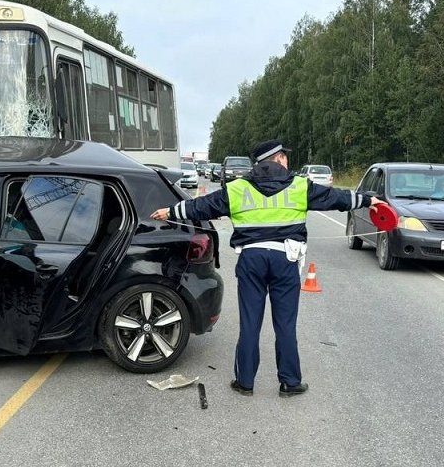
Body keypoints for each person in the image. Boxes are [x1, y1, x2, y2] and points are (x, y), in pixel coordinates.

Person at [150, 140, 381, 398]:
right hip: (285, 261)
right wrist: (367, 200)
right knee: (285, 324)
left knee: (250, 323)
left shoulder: (238, 188)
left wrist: (170, 210)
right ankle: (290, 383)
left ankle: (245, 382)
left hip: (251, 261)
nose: (287, 161)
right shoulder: (299, 186)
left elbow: (203, 205)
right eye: (285, 157)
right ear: (279, 158)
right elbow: (335, 198)